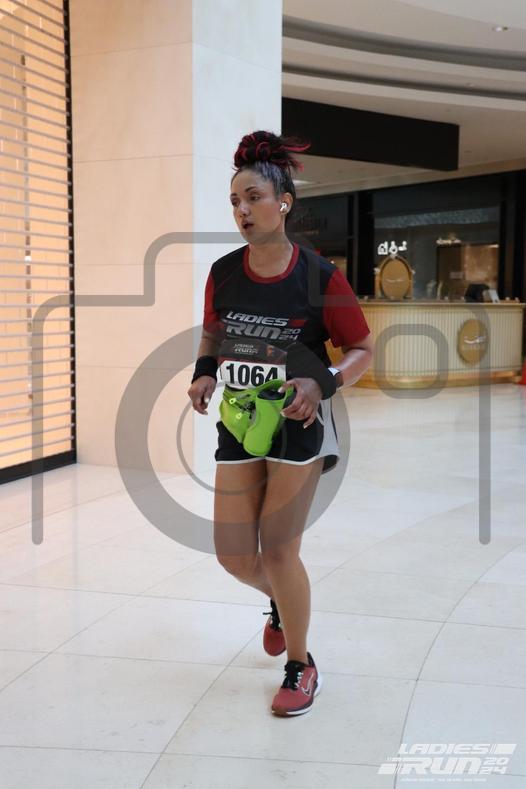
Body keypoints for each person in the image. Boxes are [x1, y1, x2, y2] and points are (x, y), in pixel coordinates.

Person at [187, 130, 374, 717]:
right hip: (240, 421)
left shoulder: (319, 275)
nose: (242, 210)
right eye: (234, 201)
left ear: (284, 202)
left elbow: (363, 349)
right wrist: (204, 372)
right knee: (233, 555)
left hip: (299, 425)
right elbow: (213, 331)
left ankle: (301, 663)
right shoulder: (223, 271)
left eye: (253, 198)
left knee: (278, 551)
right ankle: (282, 604)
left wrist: (323, 382)